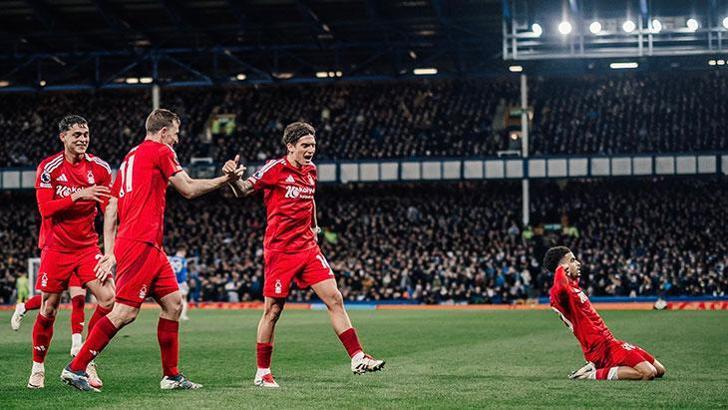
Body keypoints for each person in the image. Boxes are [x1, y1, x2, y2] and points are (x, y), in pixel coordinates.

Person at [61, 108, 245, 392]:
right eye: (175, 134)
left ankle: (171, 376)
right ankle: (76, 367)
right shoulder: (161, 151)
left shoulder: (129, 158)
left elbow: (110, 207)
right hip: (140, 243)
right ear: (163, 132)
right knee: (124, 312)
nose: (177, 140)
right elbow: (188, 189)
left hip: (146, 245)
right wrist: (226, 180)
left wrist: (111, 251)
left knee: (173, 305)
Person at [225, 121, 384, 388]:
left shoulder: (311, 171)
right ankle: (262, 372)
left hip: (308, 249)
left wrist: (314, 226)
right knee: (273, 311)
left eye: (312, 145)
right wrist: (232, 178)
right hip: (280, 251)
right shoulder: (275, 169)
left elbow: (310, 200)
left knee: (335, 298)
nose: (311, 150)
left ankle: (357, 357)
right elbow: (243, 191)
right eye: (305, 145)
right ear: (290, 147)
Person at [26, 115, 117, 389]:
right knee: (49, 308)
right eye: (76, 134)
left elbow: (109, 209)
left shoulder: (100, 168)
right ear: (63, 137)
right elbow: (45, 209)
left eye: (86, 134)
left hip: (87, 247)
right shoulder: (49, 168)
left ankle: (86, 361)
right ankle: (38, 367)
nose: (82, 139)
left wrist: (110, 252)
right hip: (56, 248)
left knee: (109, 298)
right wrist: (78, 195)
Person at [545, 246, 667, 381]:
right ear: (563, 266)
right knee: (648, 373)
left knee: (660, 370)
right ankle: (588, 375)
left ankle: (594, 367)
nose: (578, 263)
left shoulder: (573, 286)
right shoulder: (560, 295)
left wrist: (566, 270)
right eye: (573, 260)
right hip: (599, 350)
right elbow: (559, 288)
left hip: (610, 343)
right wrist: (559, 269)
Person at [12, 276, 90, 356]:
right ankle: (24, 307)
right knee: (50, 301)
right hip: (57, 265)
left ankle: (76, 345)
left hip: (77, 265)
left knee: (79, 301)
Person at [168, 247, 190, 320]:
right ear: (183, 252)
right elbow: (183, 272)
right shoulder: (183, 260)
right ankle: (183, 315)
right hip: (180, 282)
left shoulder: (170, 259)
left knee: (172, 299)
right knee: (183, 298)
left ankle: (171, 314)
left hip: (171, 281)